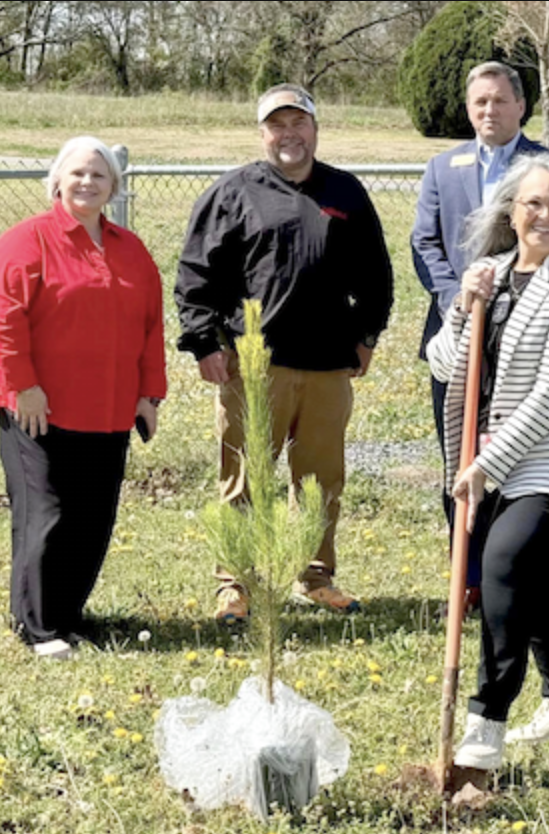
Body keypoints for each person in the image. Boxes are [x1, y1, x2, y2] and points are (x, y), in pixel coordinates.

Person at [175, 83, 394, 623]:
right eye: (278, 124)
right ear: (263, 133)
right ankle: (236, 584)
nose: (289, 134)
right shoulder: (234, 192)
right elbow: (195, 275)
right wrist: (205, 343)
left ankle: (315, 577)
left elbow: (375, 274)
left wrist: (366, 336)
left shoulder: (345, 192)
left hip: (326, 366)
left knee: (320, 483)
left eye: (299, 123)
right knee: (245, 477)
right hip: (254, 365)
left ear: (316, 130)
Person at [426, 154, 549, 769]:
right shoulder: (490, 273)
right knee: (534, 579)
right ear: (510, 210)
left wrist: (485, 464)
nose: (545, 215)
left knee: (506, 562)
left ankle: (485, 721)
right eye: (534, 203)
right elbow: (445, 365)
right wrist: (462, 307)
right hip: (494, 458)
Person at [0, 136, 167, 660]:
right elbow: (1, 319)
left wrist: (148, 395)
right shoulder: (26, 242)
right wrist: (24, 386)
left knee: (91, 518)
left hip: (108, 408)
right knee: (47, 514)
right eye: (78, 173)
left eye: (99, 175)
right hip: (40, 411)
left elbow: (150, 325)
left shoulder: (129, 249)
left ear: (114, 186)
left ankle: (67, 615)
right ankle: (37, 627)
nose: (87, 183)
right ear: (58, 180)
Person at [412, 61, 547, 604]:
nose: (488, 111)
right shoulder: (444, 168)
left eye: (498, 101)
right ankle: (465, 577)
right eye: (479, 103)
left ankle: (514, 574)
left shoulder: (547, 166)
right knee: (459, 453)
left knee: (516, 456)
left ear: (519, 106)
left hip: (525, 331)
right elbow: (425, 245)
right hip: (458, 331)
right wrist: (459, 302)